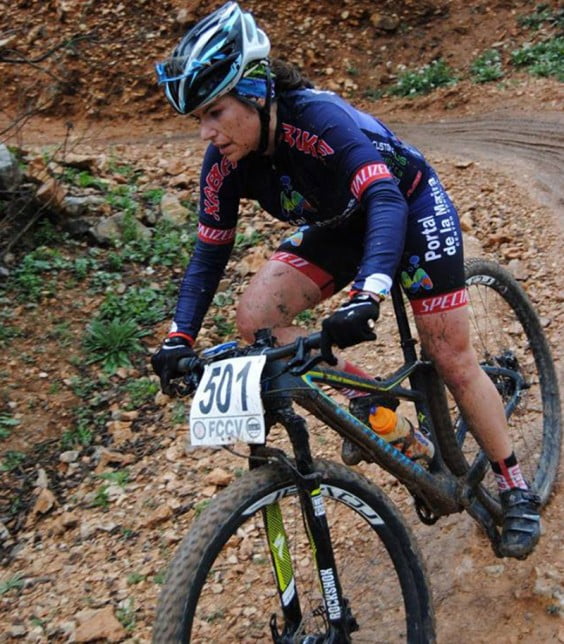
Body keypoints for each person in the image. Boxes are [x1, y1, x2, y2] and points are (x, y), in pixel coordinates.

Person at [151, 1, 540, 558]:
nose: (208, 132)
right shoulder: (224, 165)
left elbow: (383, 196)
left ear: (256, 91)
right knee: (257, 322)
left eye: (215, 111)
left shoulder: (317, 120)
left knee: (449, 356)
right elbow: (209, 254)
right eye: (200, 120)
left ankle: (514, 485)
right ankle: (371, 401)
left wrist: (371, 291)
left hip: (404, 207)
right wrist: (178, 337)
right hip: (337, 225)